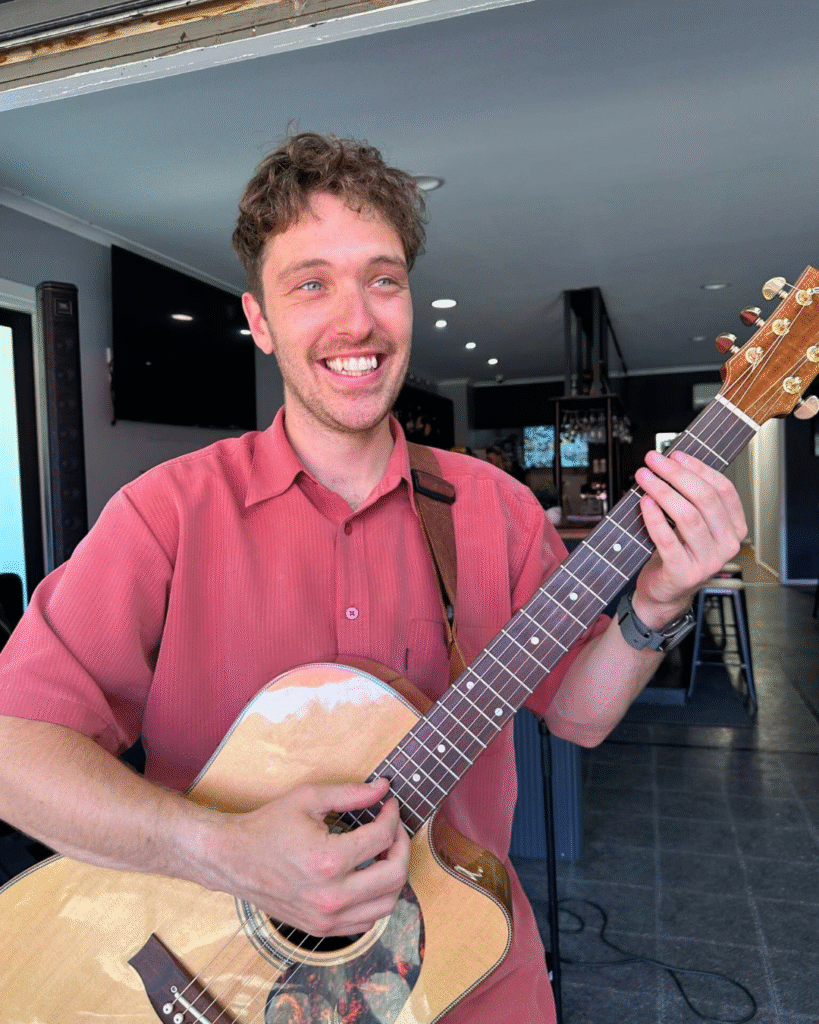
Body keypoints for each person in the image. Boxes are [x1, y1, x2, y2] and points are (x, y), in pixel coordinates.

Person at [0, 133, 746, 1022]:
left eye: (382, 279)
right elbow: (13, 750)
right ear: (259, 321)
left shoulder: (495, 508)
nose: (356, 321)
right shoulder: (166, 513)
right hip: (207, 973)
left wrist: (659, 600)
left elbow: (578, 717)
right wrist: (223, 850)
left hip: (470, 972)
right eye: (310, 284)